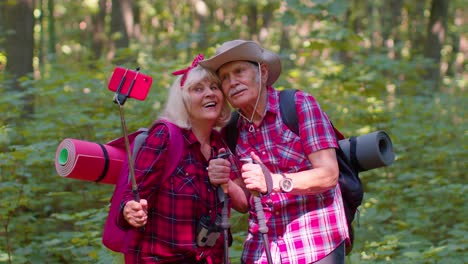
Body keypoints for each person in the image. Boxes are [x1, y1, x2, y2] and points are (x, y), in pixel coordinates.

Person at [202, 40, 349, 264]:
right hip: (262, 249)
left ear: (262, 71)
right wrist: (227, 183)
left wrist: (274, 181)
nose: (232, 82)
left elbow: (328, 174)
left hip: (316, 242)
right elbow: (243, 204)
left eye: (239, 71)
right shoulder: (231, 131)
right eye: (224, 77)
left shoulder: (298, 105)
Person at [116, 54, 249, 264]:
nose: (209, 94)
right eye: (198, 89)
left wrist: (227, 181)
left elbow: (243, 203)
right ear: (183, 100)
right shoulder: (165, 136)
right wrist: (129, 210)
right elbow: (133, 195)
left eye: (214, 87)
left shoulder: (220, 144)